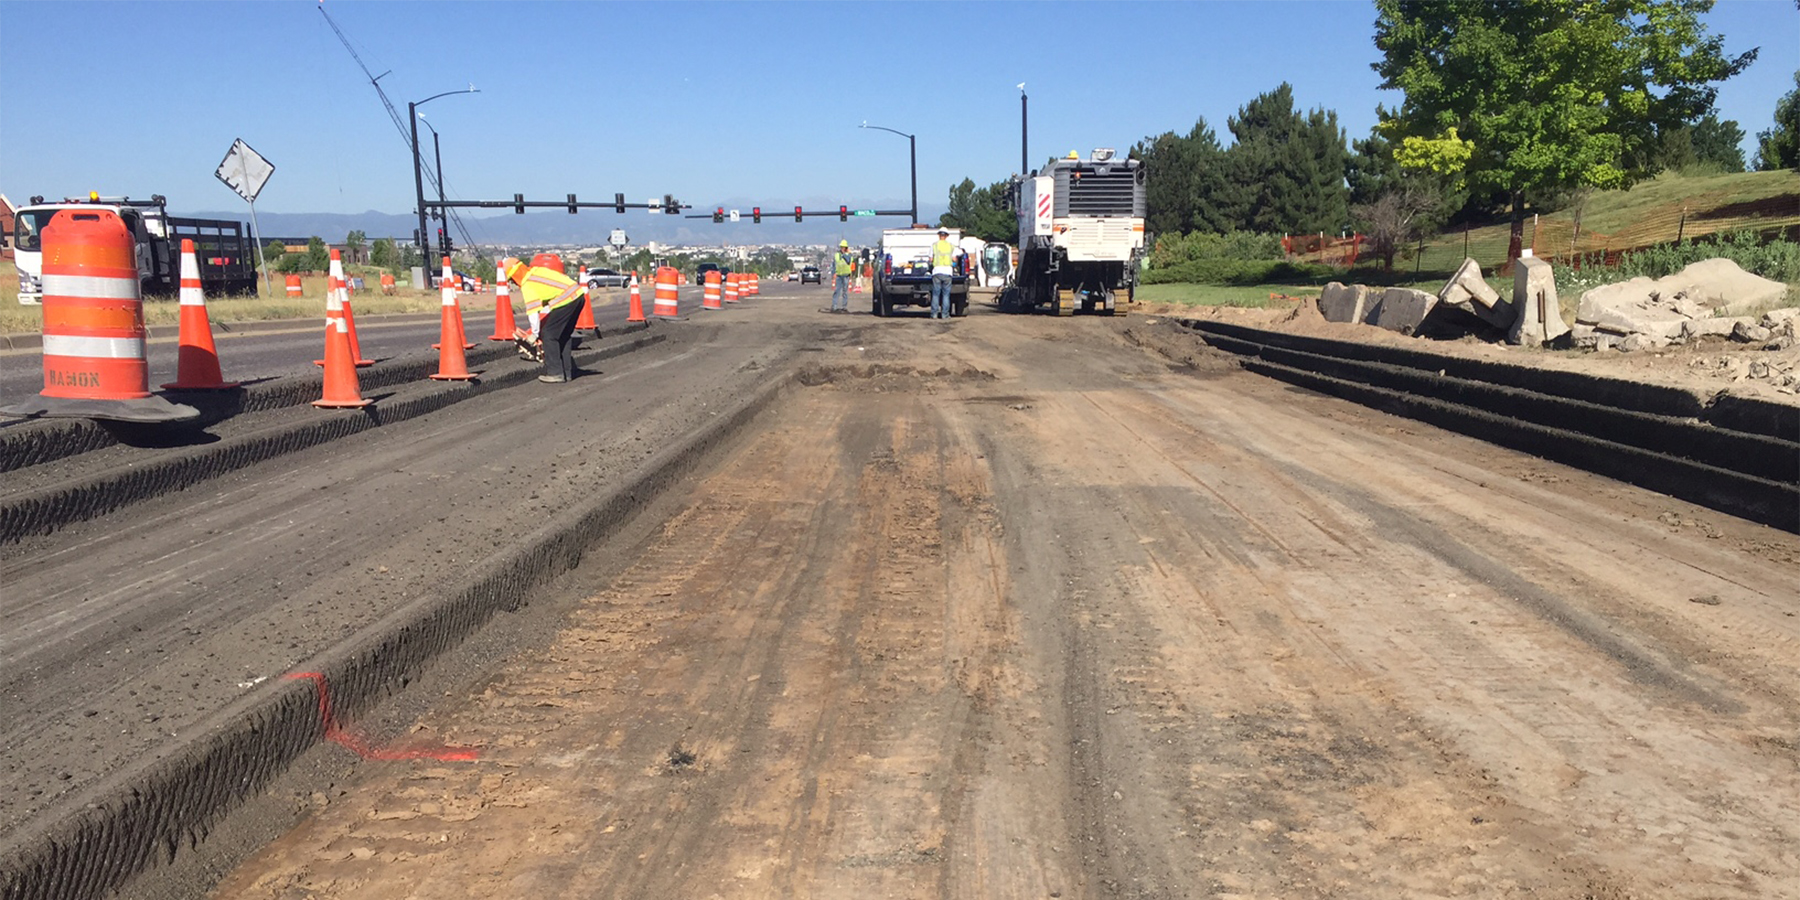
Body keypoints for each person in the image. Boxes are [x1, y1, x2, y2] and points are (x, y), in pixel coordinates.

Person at [504, 256, 585, 383]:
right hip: (578, 295)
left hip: (566, 300)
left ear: (515, 275)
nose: (513, 283)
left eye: (512, 280)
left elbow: (533, 313)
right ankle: (567, 373)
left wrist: (535, 334)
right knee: (563, 335)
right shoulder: (536, 271)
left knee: (548, 335)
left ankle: (556, 373)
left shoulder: (527, 284)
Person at [929, 228, 957, 320]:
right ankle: (945, 315)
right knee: (946, 295)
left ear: (939, 235)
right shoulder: (951, 246)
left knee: (936, 294)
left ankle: (934, 314)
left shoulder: (934, 245)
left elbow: (930, 260)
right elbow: (954, 259)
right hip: (947, 272)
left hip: (937, 272)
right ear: (947, 236)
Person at [830, 240, 856, 313]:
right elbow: (835, 264)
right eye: (841, 247)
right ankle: (834, 306)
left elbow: (848, 261)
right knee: (837, 291)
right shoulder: (837, 255)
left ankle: (844, 307)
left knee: (845, 291)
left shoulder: (849, 255)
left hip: (846, 275)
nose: (842, 248)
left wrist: (845, 254)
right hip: (839, 275)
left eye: (844, 247)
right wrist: (833, 273)